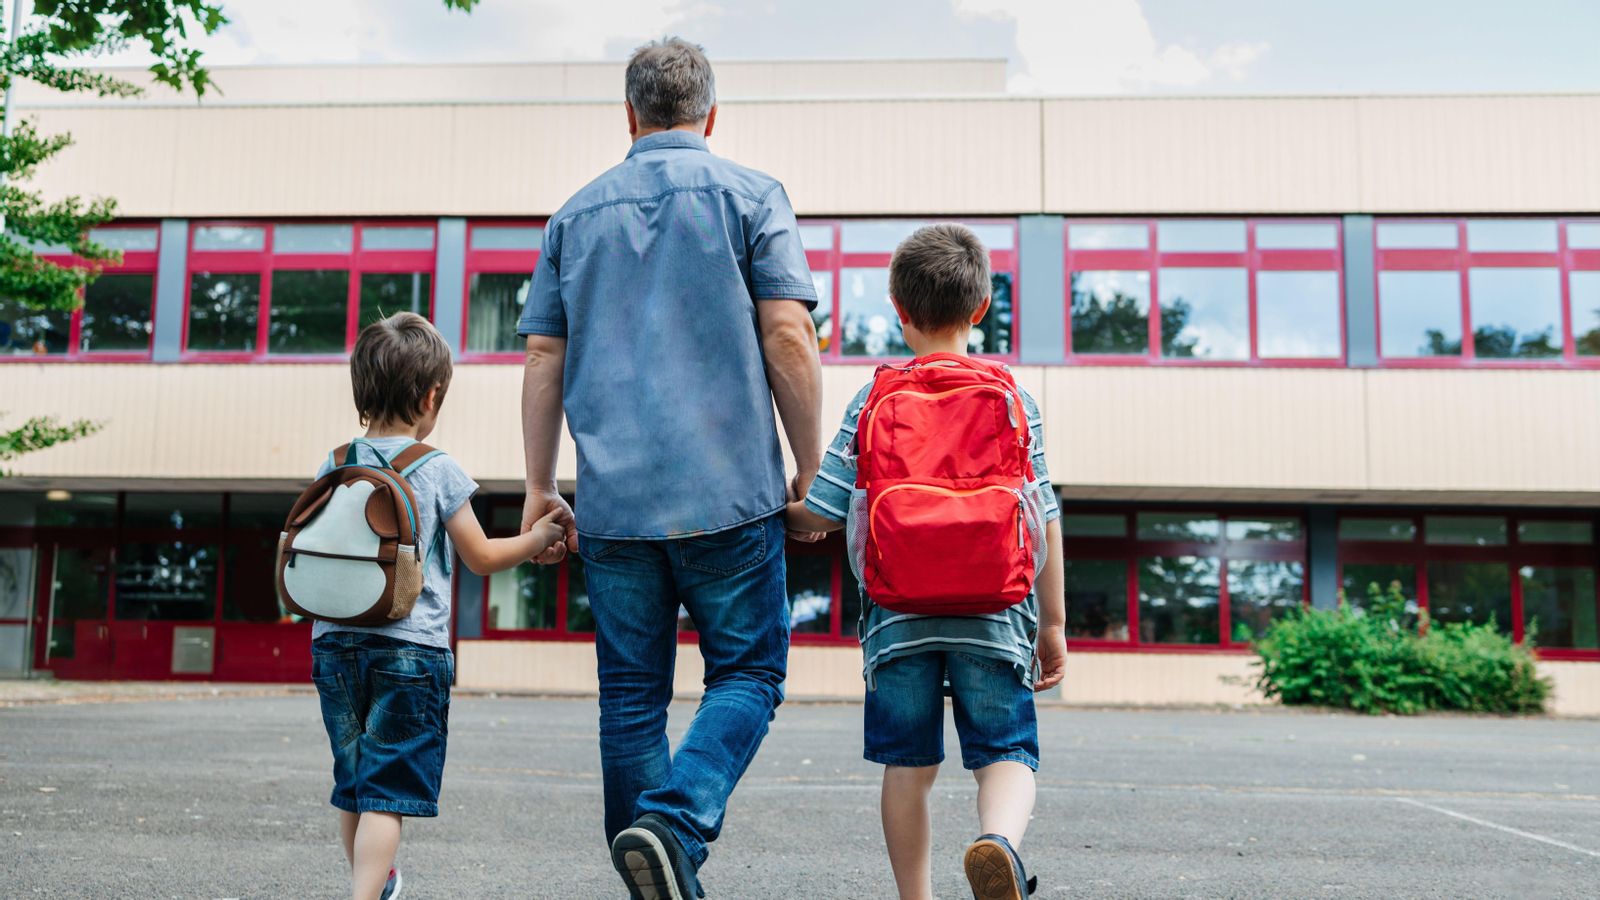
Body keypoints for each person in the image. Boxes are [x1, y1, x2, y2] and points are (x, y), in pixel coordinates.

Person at [515, 37, 823, 900]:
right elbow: (789, 336)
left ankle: (652, 867)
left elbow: (544, 359)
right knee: (751, 674)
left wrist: (541, 489)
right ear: (711, 116)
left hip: (613, 508)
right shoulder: (753, 197)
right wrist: (810, 469)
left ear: (629, 116)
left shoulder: (573, 217)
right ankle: (676, 824)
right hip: (730, 497)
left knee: (630, 702)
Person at [784, 224, 1067, 900]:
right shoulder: (1014, 400)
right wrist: (1051, 626)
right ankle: (997, 842)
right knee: (1007, 752)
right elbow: (1044, 515)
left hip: (896, 619)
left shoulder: (875, 398)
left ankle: (917, 897)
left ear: (897, 307)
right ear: (981, 307)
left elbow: (822, 513)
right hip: (996, 613)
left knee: (907, 765)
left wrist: (778, 513)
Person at [309, 313, 571, 900]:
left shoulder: (333, 463)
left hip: (333, 644)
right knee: (388, 789)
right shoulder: (435, 468)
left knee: (353, 782)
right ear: (431, 396)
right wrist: (538, 539)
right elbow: (479, 556)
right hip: (409, 650)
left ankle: (376, 885)